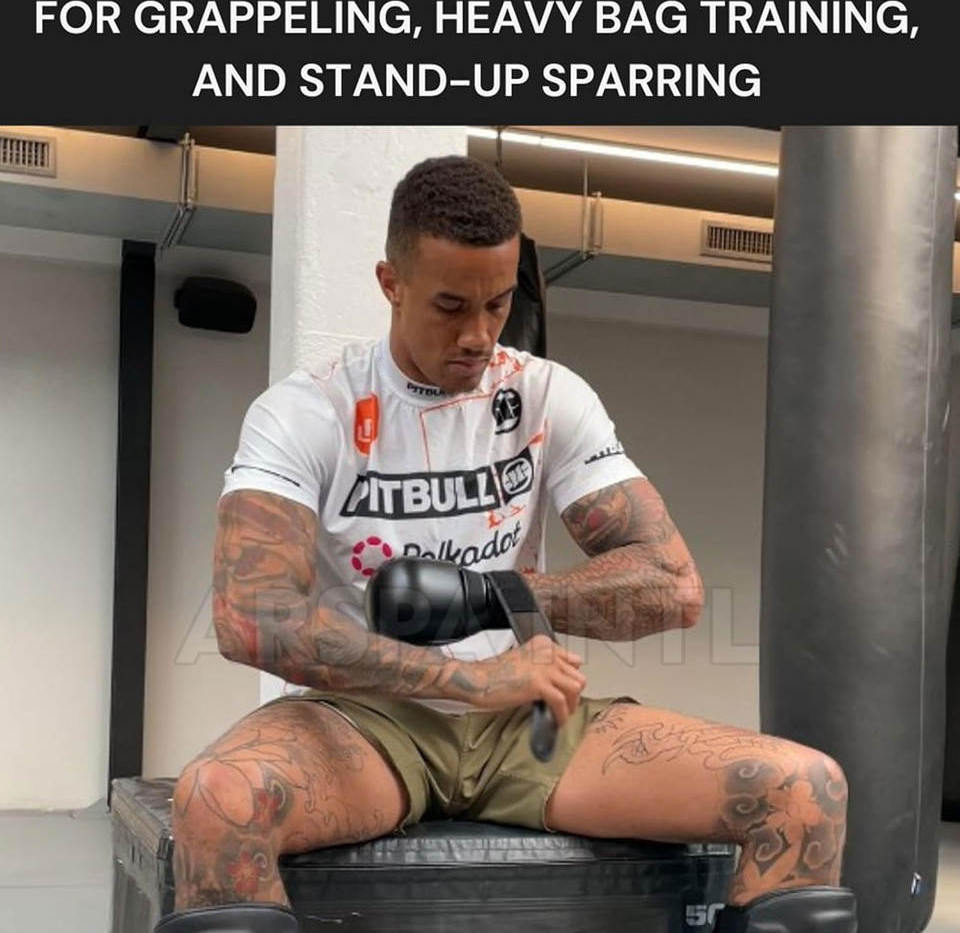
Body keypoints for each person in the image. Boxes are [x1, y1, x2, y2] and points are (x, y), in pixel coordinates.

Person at [158, 156, 855, 933]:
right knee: (218, 803)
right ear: (391, 283)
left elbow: (673, 586)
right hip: (365, 722)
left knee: (805, 791)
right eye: (450, 305)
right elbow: (252, 616)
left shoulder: (546, 395)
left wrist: (491, 596)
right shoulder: (308, 410)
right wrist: (468, 680)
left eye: (497, 304)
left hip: (528, 726)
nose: (478, 335)